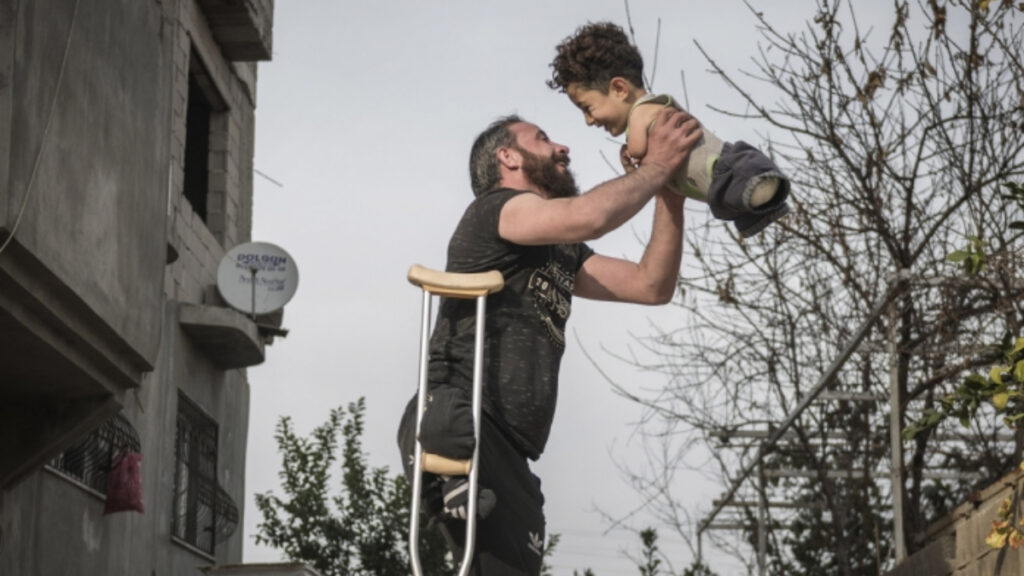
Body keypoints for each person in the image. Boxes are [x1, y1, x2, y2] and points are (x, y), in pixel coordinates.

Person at [397, 108, 701, 575]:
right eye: (542, 139)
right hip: (464, 415)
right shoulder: (498, 209)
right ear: (508, 158)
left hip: (511, 448)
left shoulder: (561, 249)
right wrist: (658, 164)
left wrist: (670, 194)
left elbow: (650, 285)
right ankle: (445, 470)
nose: (563, 146)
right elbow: (592, 216)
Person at [547, 21, 792, 238]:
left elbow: (639, 149)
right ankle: (763, 202)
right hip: (715, 185)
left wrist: (632, 160)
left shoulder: (644, 110)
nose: (589, 121)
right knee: (736, 200)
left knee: (737, 176)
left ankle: (763, 186)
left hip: (722, 167)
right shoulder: (652, 113)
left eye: (587, 107)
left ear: (619, 89)